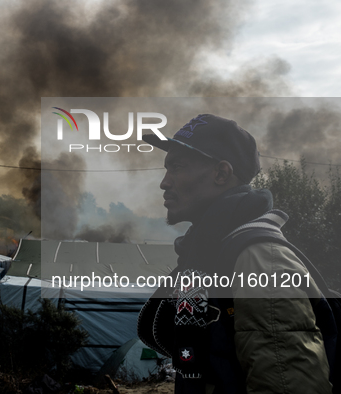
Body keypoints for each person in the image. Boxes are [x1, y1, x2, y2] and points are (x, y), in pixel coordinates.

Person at [137, 114, 332, 393]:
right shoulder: (207, 254)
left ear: (221, 174)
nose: (164, 183)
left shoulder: (260, 259)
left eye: (177, 167)